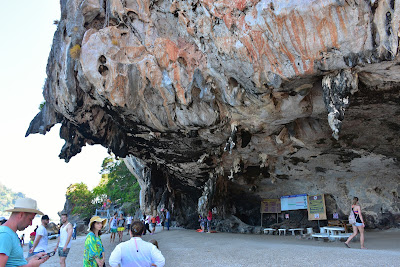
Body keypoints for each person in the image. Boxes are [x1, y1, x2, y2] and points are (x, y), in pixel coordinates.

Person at [0, 197, 49, 266]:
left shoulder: (11, 233)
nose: (30, 224)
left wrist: (34, 257)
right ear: (21, 214)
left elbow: (17, 263)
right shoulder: (5, 235)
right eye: (30, 219)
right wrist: (30, 266)